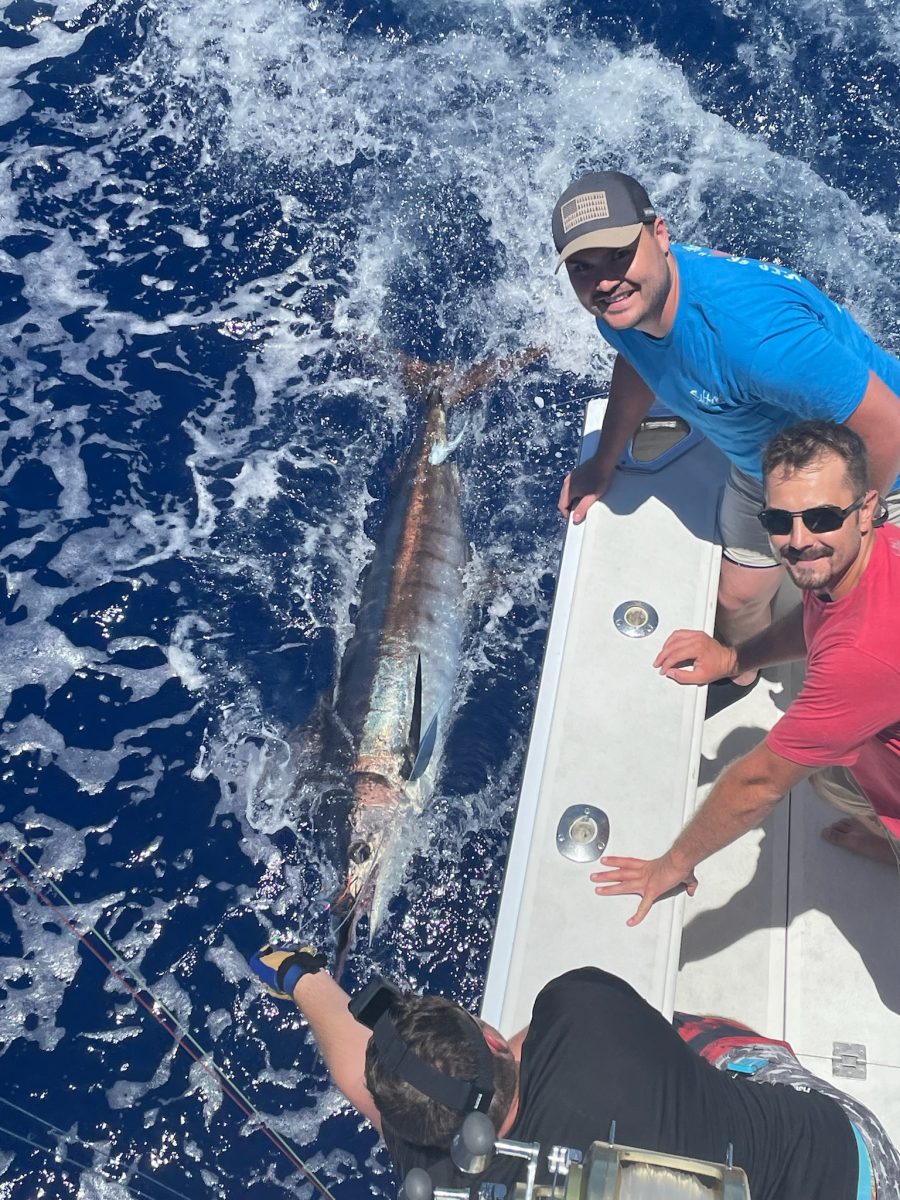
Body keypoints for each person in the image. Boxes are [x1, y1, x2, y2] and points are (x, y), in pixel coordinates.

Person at [553, 170, 900, 698]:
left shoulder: (753, 339)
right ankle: (742, 675)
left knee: (859, 637)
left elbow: (887, 424)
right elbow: (638, 359)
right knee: (737, 601)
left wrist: (857, 522)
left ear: (660, 233)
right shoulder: (624, 309)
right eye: (584, 266)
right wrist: (604, 461)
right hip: (767, 465)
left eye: (620, 255)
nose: (604, 281)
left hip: (876, 472)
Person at [247, 946, 898, 1198]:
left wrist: (303, 984)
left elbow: (354, 1072)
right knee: (694, 1034)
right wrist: (301, 971)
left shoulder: (437, 1176)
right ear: (492, 1039)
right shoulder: (582, 1013)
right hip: (860, 1167)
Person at [593, 420, 900, 924]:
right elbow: (816, 619)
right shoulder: (862, 554)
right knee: (832, 782)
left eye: (821, 517)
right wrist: (734, 659)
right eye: (779, 520)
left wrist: (672, 864)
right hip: (879, 745)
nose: (798, 540)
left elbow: (758, 784)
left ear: (866, 509)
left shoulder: (862, 655)